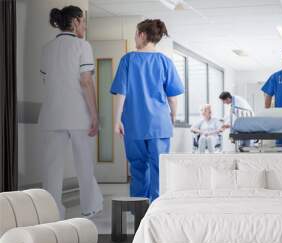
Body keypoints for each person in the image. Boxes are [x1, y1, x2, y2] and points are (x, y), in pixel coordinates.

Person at [39, 6, 103, 219]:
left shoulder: (47, 48)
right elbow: (86, 81)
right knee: (84, 163)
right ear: (75, 22)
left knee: (51, 169)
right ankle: (90, 207)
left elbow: (46, 81)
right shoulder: (82, 46)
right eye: (83, 21)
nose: (85, 26)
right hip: (78, 114)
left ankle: (52, 213)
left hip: (51, 115)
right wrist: (95, 115)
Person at [110, 19, 184, 202]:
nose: (135, 38)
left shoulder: (127, 60)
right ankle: (157, 209)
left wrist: (117, 120)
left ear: (142, 35)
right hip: (159, 124)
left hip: (134, 124)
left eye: (136, 34)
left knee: (138, 167)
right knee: (159, 168)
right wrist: (172, 117)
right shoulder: (165, 62)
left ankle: (139, 212)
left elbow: (121, 93)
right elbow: (172, 98)